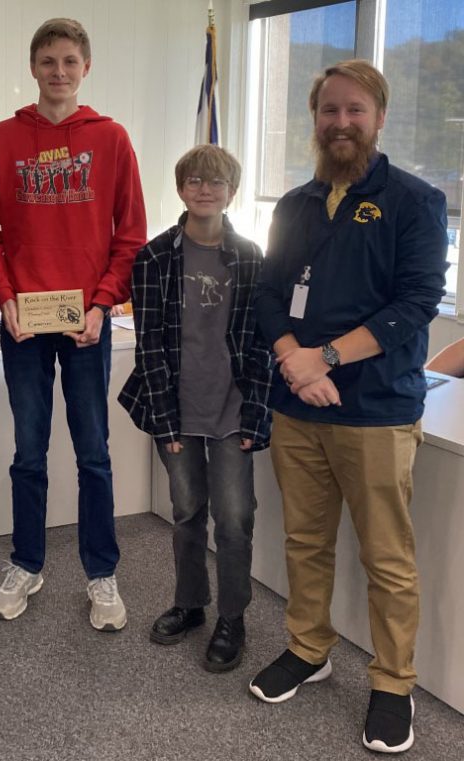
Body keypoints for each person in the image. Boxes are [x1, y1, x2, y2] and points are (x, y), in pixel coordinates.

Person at [251, 60, 448, 754]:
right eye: (329, 111)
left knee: (386, 556)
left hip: (375, 409)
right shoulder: (296, 204)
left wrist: (324, 358)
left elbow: (415, 303)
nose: (340, 123)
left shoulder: (416, 201)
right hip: (299, 404)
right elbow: (269, 291)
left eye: (354, 111)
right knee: (305, 540)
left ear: (380, 117)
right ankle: (309, 648)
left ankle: (393, 683)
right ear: (315, 119)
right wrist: (291, 359)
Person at [0, 18, 146, 630]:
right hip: (23, 325)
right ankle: (27, 562)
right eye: (48, 61)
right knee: (28, 452)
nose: (59, 72)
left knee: (94, 453)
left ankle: (102, 573)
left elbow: (131, 236)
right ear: (33, 67)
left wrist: (102, 304)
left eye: (70, 61)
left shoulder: (112, 139)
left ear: (86, 67)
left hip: (86, 326)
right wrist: (3, 295)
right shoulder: (1, 139)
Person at [119, 145, 272, 671]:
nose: (204, 190)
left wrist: (256, 413)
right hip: (176, 406)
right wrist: (164, 423)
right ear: (181, 188)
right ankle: (190, 604)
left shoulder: (251, 256)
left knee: (234, 519)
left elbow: (259, 343)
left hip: (233, 410)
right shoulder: (155, 257)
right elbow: (149, 346)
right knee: (186, 514)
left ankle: (233, 616)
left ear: (232, 191)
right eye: (194, 181)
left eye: (216, 182)